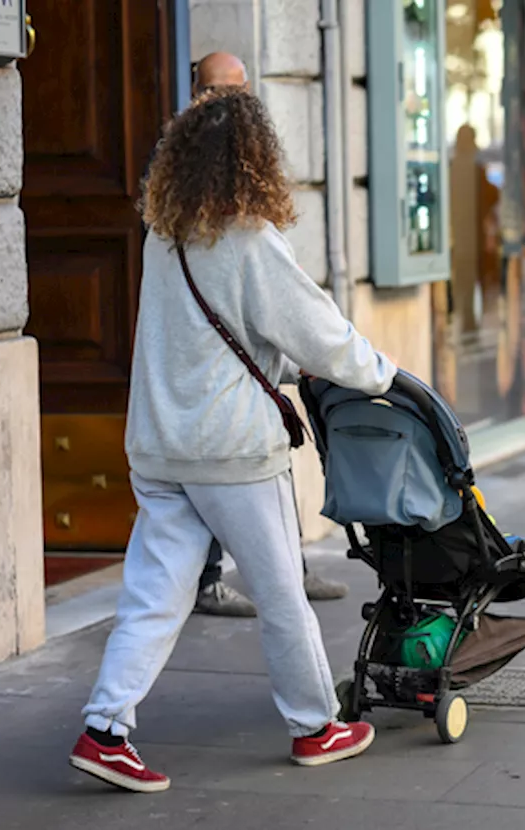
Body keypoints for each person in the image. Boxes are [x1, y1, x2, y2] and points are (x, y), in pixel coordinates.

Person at [68, 88, 397, 793]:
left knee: (154, 594)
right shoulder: (250, 240)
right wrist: (383, 376)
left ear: (181, 160)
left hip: (159, 447)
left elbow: (200, 343)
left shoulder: (164, 237)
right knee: (282, 592)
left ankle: (105, 729)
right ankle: (315, 726)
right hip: (232, 455)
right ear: (255, 159)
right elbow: (318, 332)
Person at [184, 52, 350, 617]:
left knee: (153, 588)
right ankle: (220, 581)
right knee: (219, 476)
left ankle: (290, 572)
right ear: (194, 92)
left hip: (243, 364)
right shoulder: (179, 169)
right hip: (205, 374)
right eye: (212, 91)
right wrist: (369, 369)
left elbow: (273, 283)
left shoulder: (251, 161)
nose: (222, 104)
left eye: (232, 92)